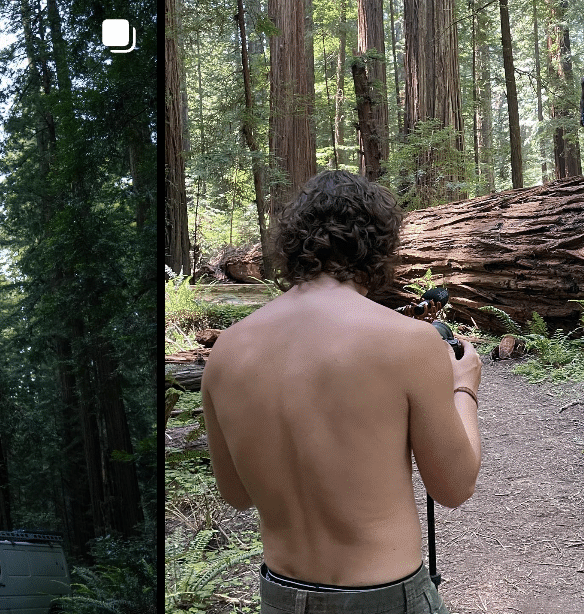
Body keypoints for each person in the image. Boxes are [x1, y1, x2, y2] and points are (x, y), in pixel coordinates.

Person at [200, 170, 483, 613]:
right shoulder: (408, 342)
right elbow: (454, 486)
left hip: (280, 595)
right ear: (377, 247)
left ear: (293, 245)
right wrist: (463, 387)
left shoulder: (227, 352)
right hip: (385, 599)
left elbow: (236, 496)